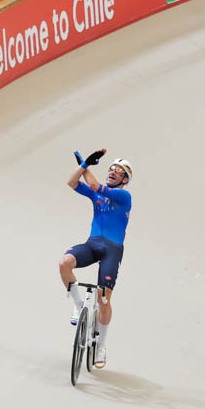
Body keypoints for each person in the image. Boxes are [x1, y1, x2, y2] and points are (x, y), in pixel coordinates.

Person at [58, 150, 133, 369]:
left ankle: (101, 345)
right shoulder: (98, 195)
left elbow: (93, 185)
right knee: (65, 263)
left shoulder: (124, 196)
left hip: (112, 250)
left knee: (104, 299)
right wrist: (83, 166)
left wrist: (87, 166)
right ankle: (79, 305)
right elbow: (72, 182)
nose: (112, 172)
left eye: (118, 171)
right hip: (92, 244)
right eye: (110, 169)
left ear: (124, 180)